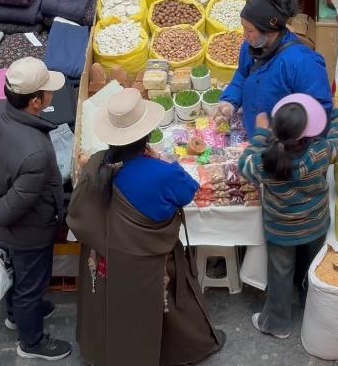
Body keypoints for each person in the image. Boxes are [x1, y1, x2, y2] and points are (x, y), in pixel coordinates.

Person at [66, 87, 225, 366]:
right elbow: (189, 191)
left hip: (107, 257)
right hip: (146, 263)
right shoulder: (163, 173)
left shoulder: (95, 164)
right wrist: (161, 160)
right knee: (176, 282)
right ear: (148, 136)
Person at [0, 57, 71, 360]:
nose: (51, 95)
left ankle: (17, 313)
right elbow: (12, 210)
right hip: (28, 231)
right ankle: (32, 342)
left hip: (1, 222)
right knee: (30, 285)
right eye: (47, 91)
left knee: (17, 276)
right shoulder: (35, 151)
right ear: (37, 102)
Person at [238, 93, 338, 339]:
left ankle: (277, 324)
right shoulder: (320, 152)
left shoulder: (265, 160)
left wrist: (259, 134)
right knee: (313, 267)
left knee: (280, 274)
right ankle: (313, 309)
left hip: (281, 229)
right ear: (307, 132)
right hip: (315, 223)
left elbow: (243, 165)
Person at [214, 0, 332, 137]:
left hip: (281, 147)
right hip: (255, 135)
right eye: (244, 28)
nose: (244, 35)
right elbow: (243, 75)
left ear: (268, 31)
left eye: (249, 30)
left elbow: (320, 110)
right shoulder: (251, 46)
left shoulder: (301, 62)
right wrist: (229, 102)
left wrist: (287, 143)